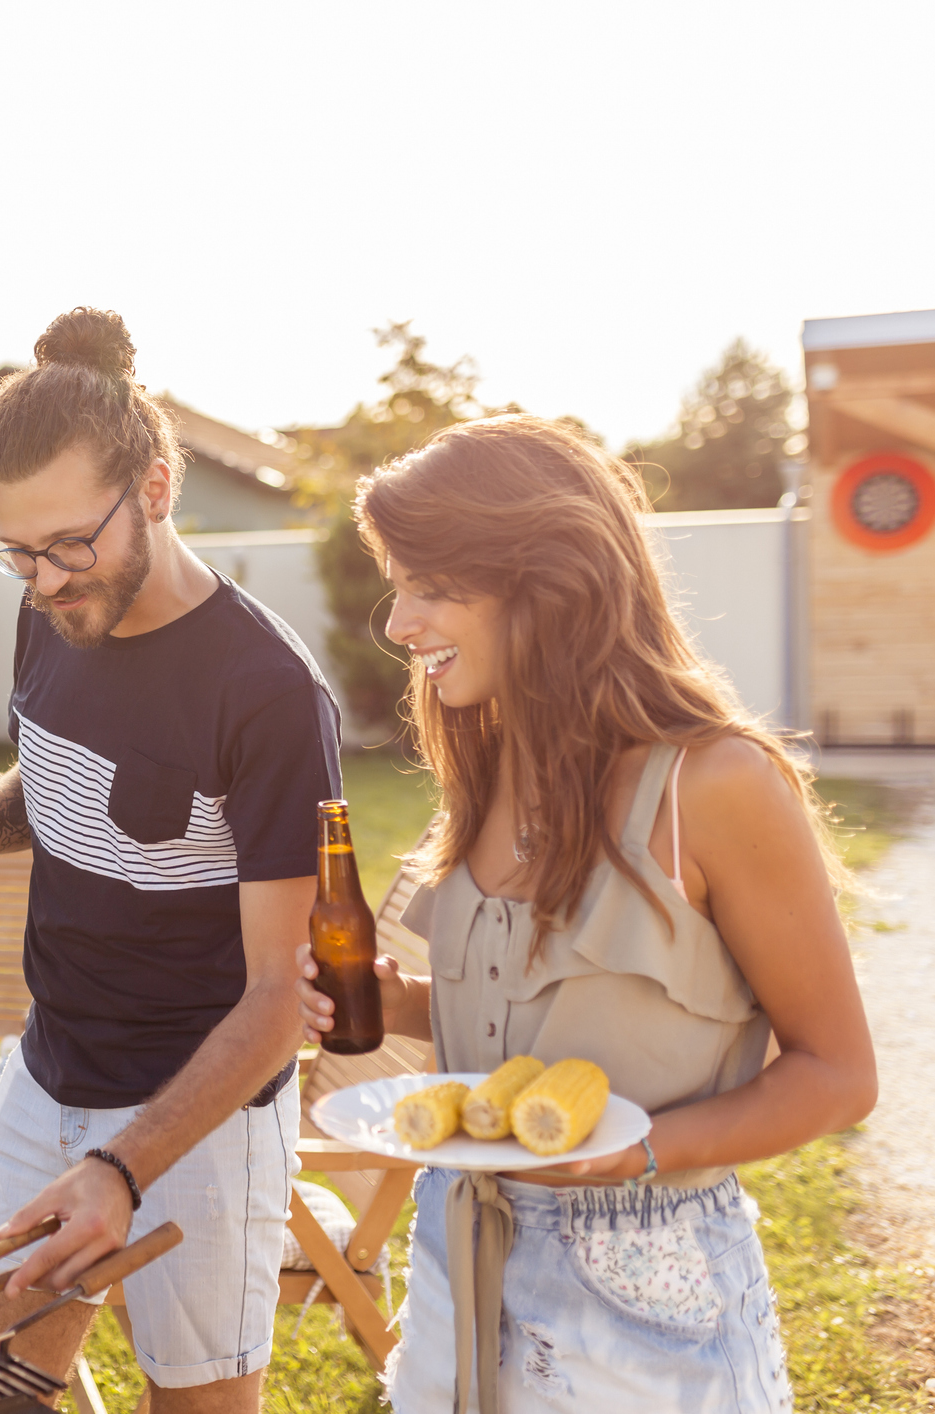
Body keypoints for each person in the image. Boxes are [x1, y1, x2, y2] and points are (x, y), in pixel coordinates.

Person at [295, 414, 877, 1412]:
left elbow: (839, 1073)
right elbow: (541, 1017)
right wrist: (401, 1005)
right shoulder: (490, 762)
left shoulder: (718, 785)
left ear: (545, 584)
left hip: (645, 1294)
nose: (397, 623)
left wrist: (644, 1149)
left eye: (429, 586)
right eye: (399, 585)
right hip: (459, 1250)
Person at [0, 309, 341, 1412]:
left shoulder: (265, 693)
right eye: (19, 551)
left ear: (156, 487)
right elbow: (59, 779)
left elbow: (277, 1000)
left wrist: (123, 1168)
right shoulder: (49, 610)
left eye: (73, 543)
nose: (50, 579)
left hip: (199, 1115)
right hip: (45, 1073)